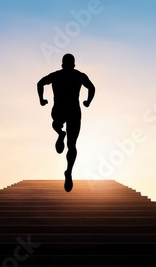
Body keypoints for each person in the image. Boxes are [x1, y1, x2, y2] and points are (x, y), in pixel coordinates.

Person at [37, 53, 95, 192]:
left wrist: (42, 99)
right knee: (72, 145)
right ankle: (68, 170)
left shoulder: (56, 75)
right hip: (73, 111)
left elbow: (40, 83)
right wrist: (88, 102)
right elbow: (92, 88)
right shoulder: (79, 75)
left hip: (60, 109)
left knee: (57, 125)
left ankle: (60, 134)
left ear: (62, 64)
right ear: (74, 64)